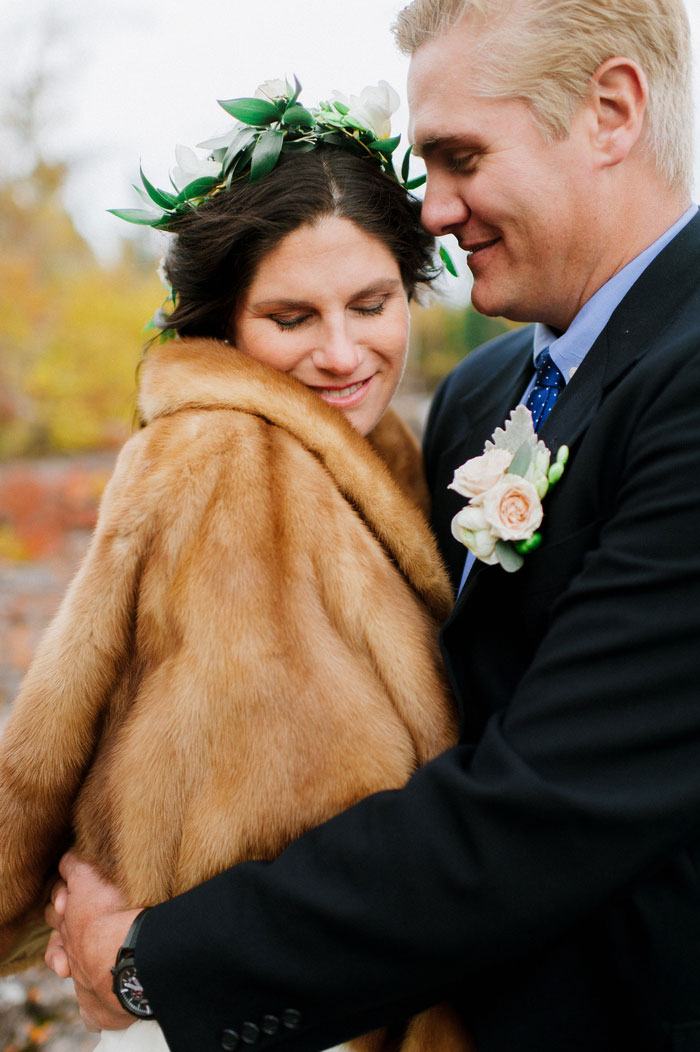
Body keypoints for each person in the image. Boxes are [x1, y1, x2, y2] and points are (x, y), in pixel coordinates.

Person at [42, 0, 700, 1048]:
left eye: (458, 156)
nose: (430, 210)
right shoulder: (480, 394)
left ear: (612, 111)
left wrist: (157, 957)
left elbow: (543, 802)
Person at [0, 79, 471, 1052]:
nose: (344, 353)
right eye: (292, 318)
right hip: (277, 1010)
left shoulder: (365, 452)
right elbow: (286, 814)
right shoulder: (231, 462)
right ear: (226, 329)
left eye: (372, 303)